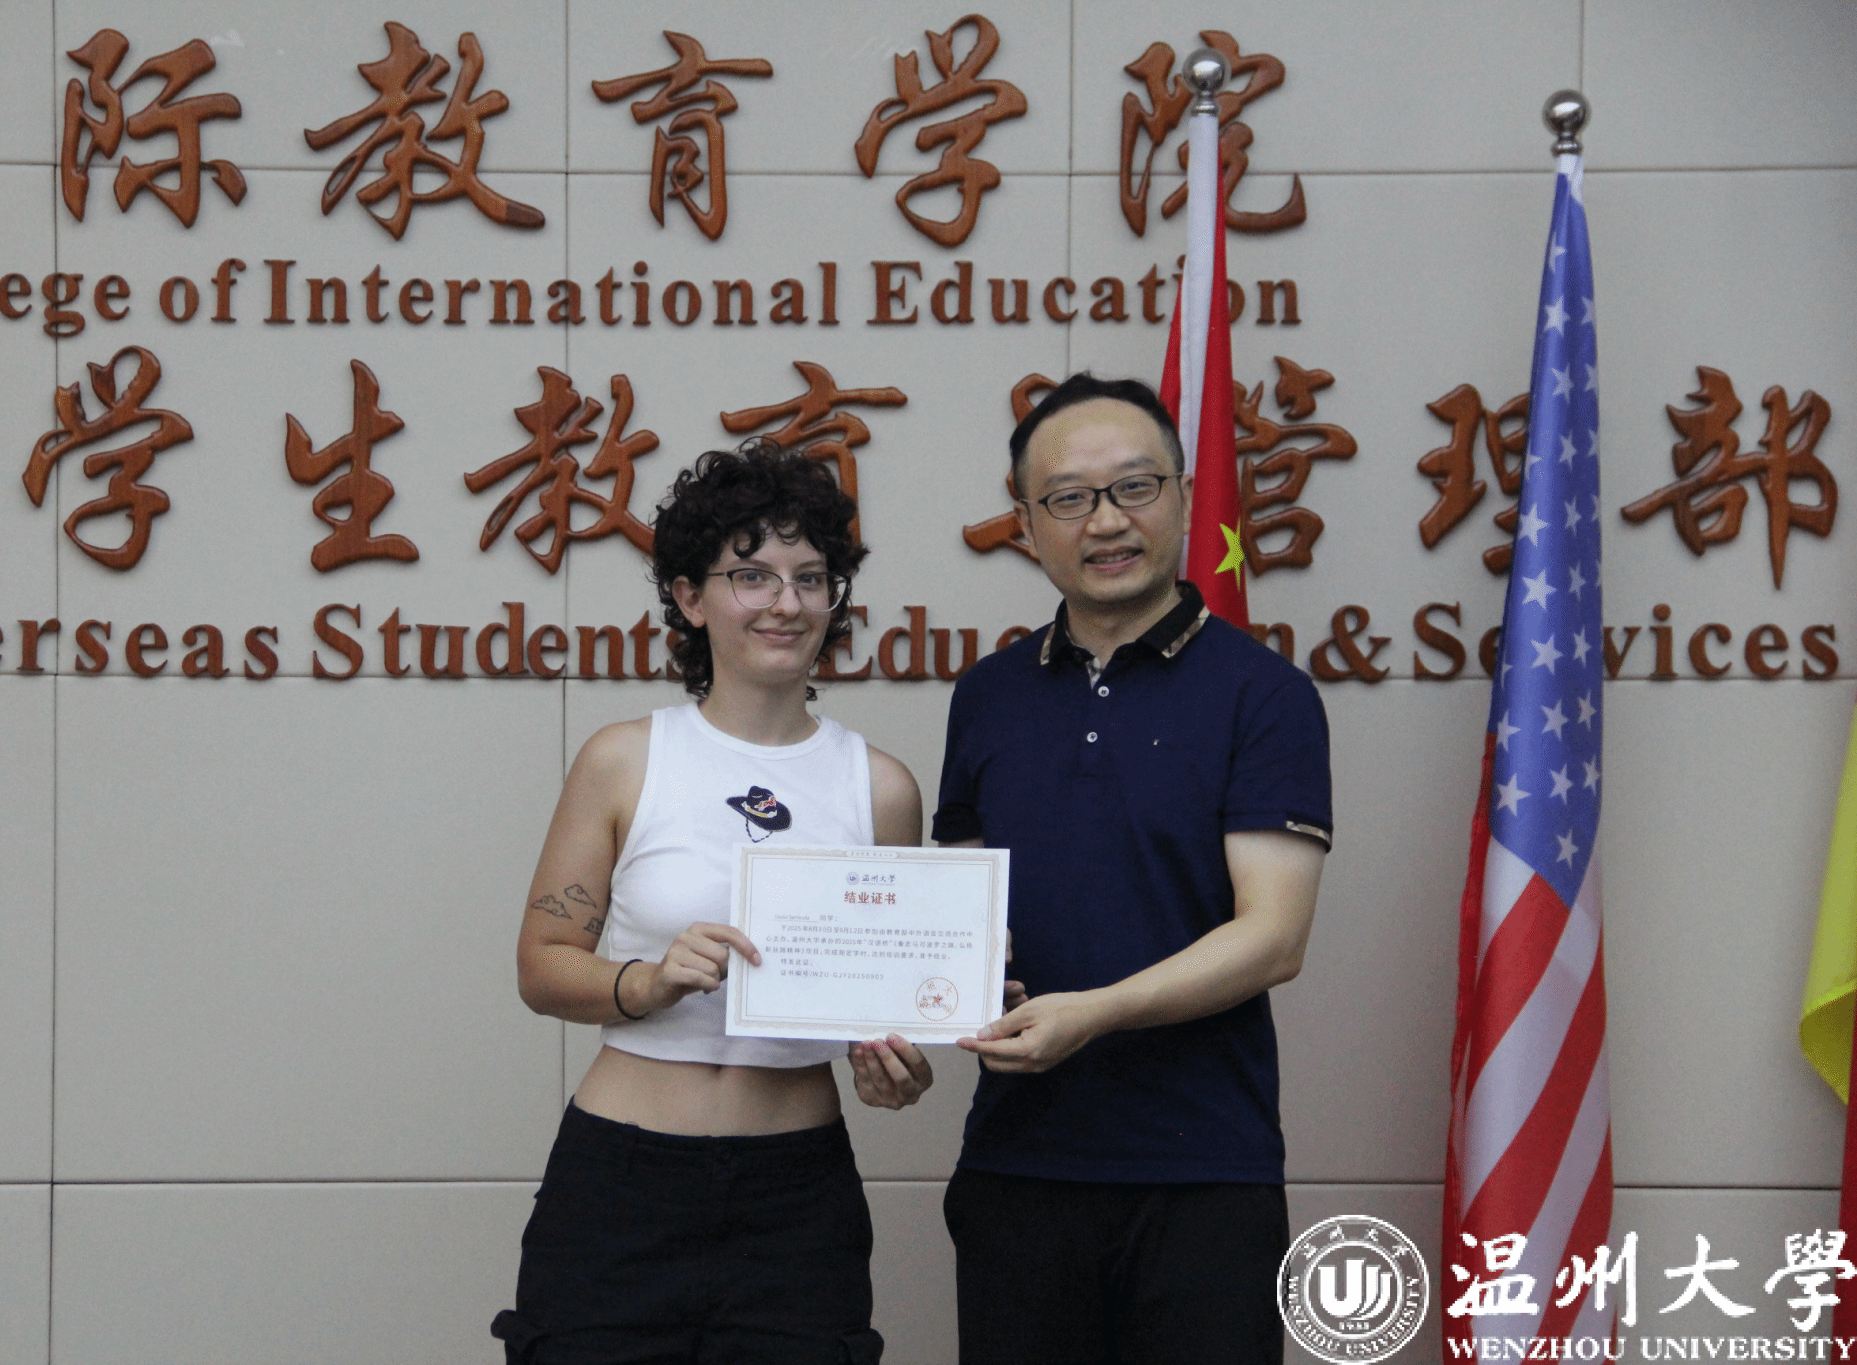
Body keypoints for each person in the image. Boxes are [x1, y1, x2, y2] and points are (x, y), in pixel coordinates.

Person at [494, 438, 932, 1365]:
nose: (785, 603)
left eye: (810, 578)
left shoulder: (882, 787)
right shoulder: (625, 758)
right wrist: (646, 981)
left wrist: (891, 1070)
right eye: (752, 575)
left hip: (796, 1194)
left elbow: (887, 999)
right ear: (691, 598)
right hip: (621, 1179)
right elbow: (541, 966)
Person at [933, 373, 1332, 1365]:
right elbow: (958, 921)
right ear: (1027, 523)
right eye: (1069, 497)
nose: (1106, 521)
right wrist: (912, 1011)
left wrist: (1096, 1011)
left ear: (1185, 497)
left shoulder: (1264, 694)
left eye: (1134, 487)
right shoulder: (985, 696)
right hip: (1018, 1166)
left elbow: (1273, 937)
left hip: (1203, 1174)